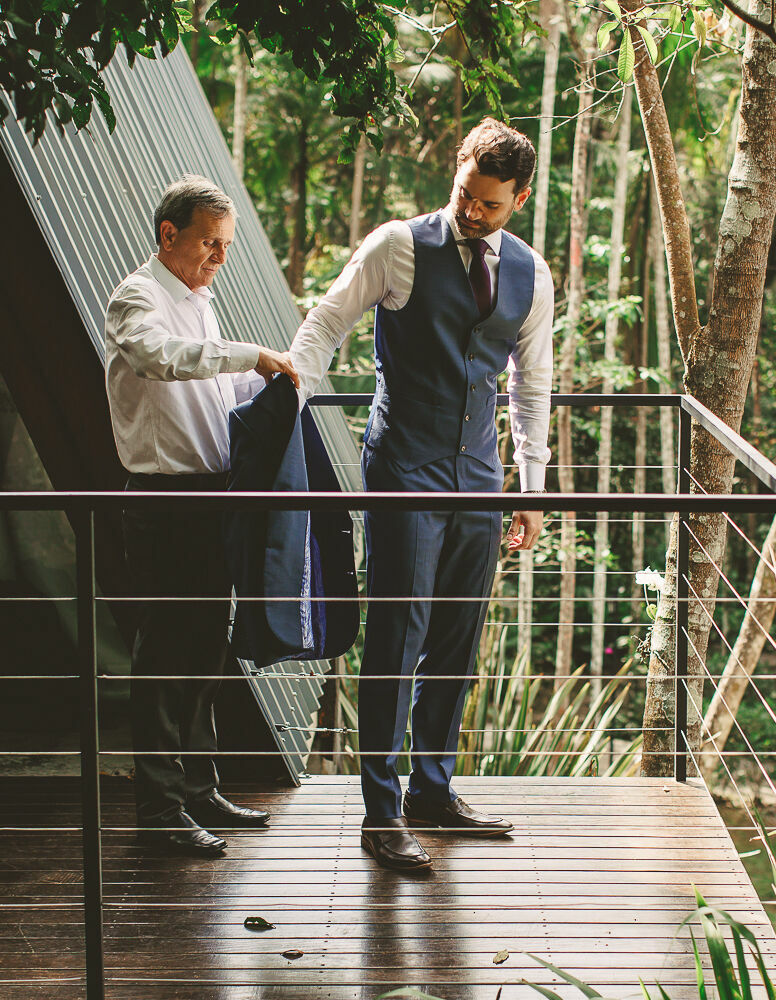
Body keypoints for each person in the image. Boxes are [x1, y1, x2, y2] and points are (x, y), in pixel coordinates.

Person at [290, 118, 554, 871]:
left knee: (457, 637)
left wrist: (527, 488)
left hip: (479, 471)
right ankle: (380, 811)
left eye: (492, 205)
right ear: (458, 172)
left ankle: (432, 790)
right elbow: (328, 320)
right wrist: (292, 390)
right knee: (397, 634)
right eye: (466, 194)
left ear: (520, 199)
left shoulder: (533, 276)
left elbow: (531, 387)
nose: (473, 212)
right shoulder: (397, 246)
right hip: (403, 462)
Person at [104, 174, 301, 857]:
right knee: (163, 655)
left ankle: (198, 788)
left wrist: (269, 374)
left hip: (213, 496)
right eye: (211, 244)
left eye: (226, 246)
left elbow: (214, 386)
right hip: (164, 503)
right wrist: (249, 354)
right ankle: (159, 811)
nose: (221, 257)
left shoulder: (199, 300)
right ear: (169, 235)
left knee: (205, 650)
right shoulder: (139, 297)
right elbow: (158, 360)